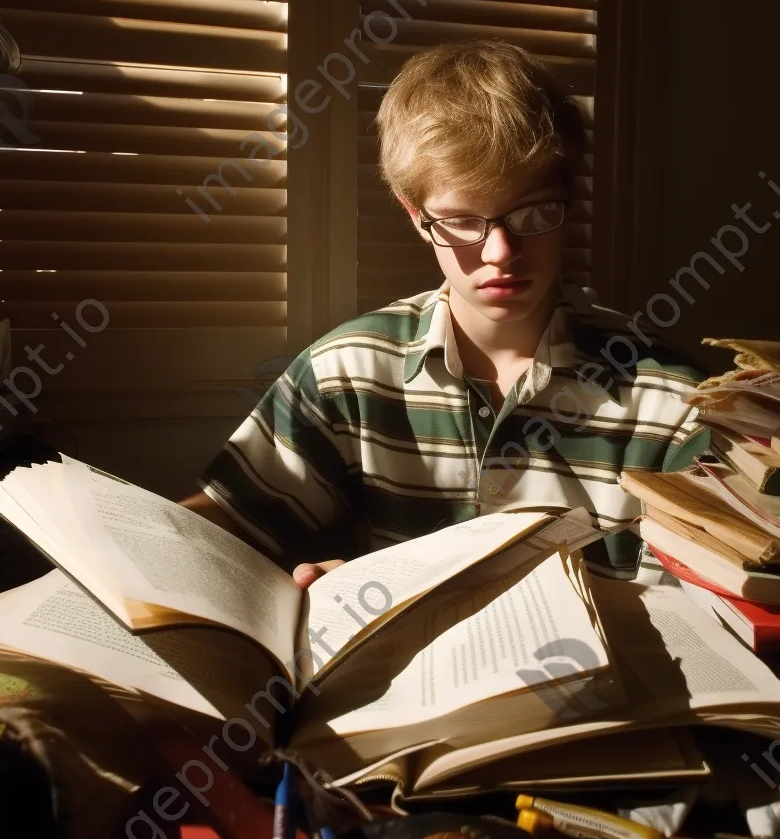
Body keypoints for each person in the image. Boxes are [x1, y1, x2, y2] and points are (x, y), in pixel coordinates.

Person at [182, 40, 702, 587]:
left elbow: (701, 628)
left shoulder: (677, 405)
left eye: (534, 212)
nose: (500, 252)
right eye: (460, 220)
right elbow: (214, 527)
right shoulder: (347, 373)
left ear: (570, 198)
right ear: (415, 215)